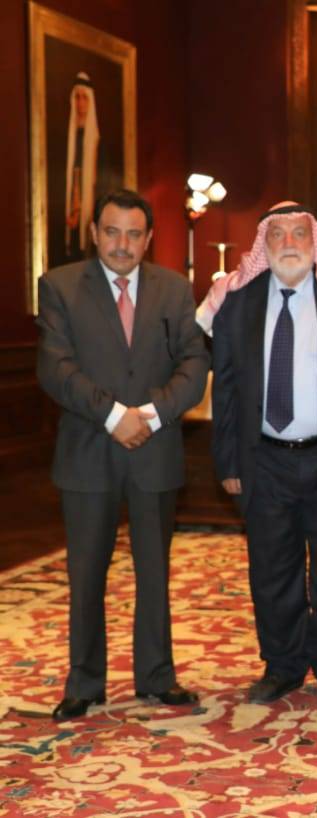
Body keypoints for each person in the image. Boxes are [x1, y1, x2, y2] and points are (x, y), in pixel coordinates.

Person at [37, 188, 209, 721]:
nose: (122, 244)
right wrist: (114, 416)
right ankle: (84, 682)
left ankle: (157, 676)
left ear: (148, 238)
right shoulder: (60, 286)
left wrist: (151, 414)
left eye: (134, 234)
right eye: (112, 232)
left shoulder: (174, 289)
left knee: (154, 570)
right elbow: (55, 367)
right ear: (94, 233)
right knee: (87, 572)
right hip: (89, 449)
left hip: (154, 449)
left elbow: (194, 363)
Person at [210, 202, 317, 708]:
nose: (288, 243)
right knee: (272, 569)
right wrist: (228, 462)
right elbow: (226, 387)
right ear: (263, 243)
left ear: (314, 240)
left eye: (298, 233)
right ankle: (282, 665)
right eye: (277, 234)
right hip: (264, 460)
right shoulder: (238, 300)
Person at [64, 72, 99, 262]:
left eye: (84, 98)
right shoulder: (68, 137)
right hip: (73, 202)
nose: (80, 103)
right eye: (77, 97)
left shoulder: (97, 141)